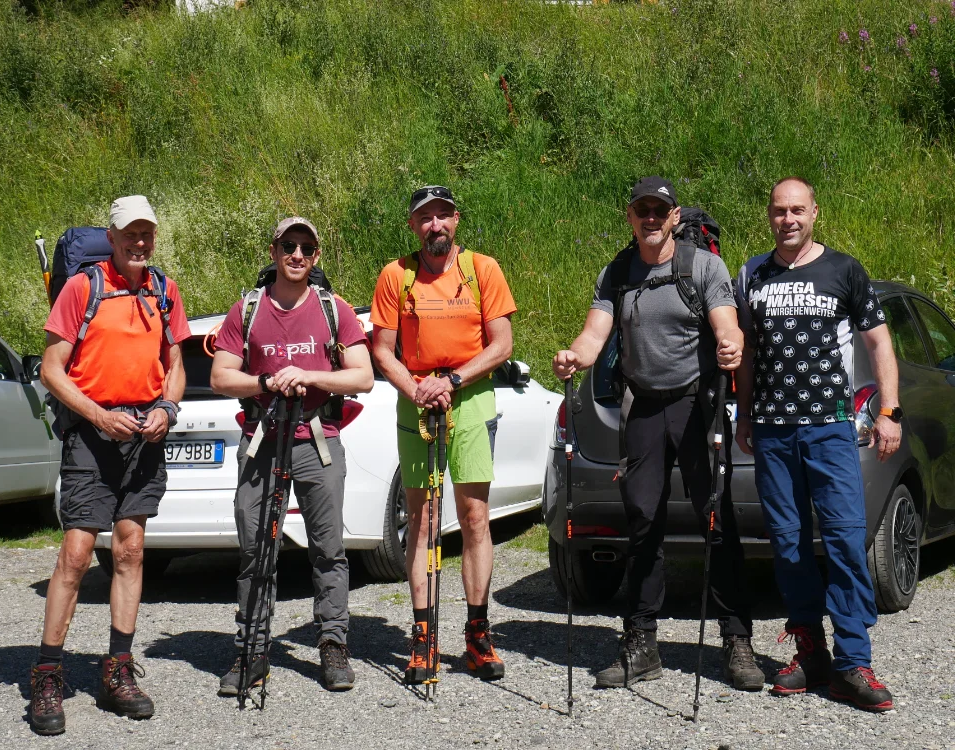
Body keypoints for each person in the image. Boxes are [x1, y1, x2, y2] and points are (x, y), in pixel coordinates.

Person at [552, 176, 764, 691]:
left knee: (716, 519)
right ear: (630, 217)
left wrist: (731, 344)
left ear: (673, 217)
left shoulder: (704, 266)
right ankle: (641, 642)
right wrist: (574, 356)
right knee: (643, 520)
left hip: (695, 403)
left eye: (658, 210)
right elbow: (595, 333)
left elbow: (726, 323)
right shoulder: (618, 272)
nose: (650, 218)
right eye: (641, 210)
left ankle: (737, 640)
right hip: (643, 405)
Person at [734, 176, 901, 712]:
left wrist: (889, 412)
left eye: (797, 210)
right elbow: (748, 352)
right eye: (779, 211)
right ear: (769, 215)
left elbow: (879, 342)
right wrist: (744, 414)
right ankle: (810, 652)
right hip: (772, 431)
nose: (788, 219)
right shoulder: (752, 274)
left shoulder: (844, 270)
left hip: (830, 428)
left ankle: (853, 662)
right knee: (788, 544)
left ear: (814, 213)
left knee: (846, 541)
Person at [30, 195, 191, 735]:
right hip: (92, 435)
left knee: (131, 549)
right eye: (130, 233)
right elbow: (53, 369)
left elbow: (175, 363)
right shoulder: (83, 288)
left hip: (144, 434)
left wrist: (168, 407)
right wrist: (99, 416)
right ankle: (47, 674)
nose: (139, 242)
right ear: (112, 236)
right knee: (76, 554)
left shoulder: (164, 291)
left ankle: (118, 670)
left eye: (147, 233)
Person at [211, 217, 373, 694]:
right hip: (262, 441)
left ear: (316, 255)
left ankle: (333, 645)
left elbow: (362, 376)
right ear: (274, 251)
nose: (297, 255)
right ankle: (252, 651)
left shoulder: (333, 309)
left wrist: (310, 375)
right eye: (288, 246)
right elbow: (220, 376)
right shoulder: (248, 309)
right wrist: (265, 382)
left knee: (329, 549)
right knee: (256, 550)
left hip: (318, 441)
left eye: (306, 247)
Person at [370, 185, 516, 683]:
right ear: (413, 225)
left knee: (474, 516)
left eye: (443, 216)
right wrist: (417, 389)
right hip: (416, 400)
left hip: (470, 397)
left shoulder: (482, 269)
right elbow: (383, 350)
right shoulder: (396, 275)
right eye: (425, 217)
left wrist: (451, 381)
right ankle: (423, 635)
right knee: (423, 519)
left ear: (456, 221)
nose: (435, 225)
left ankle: (477, 633)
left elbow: (502, 344)